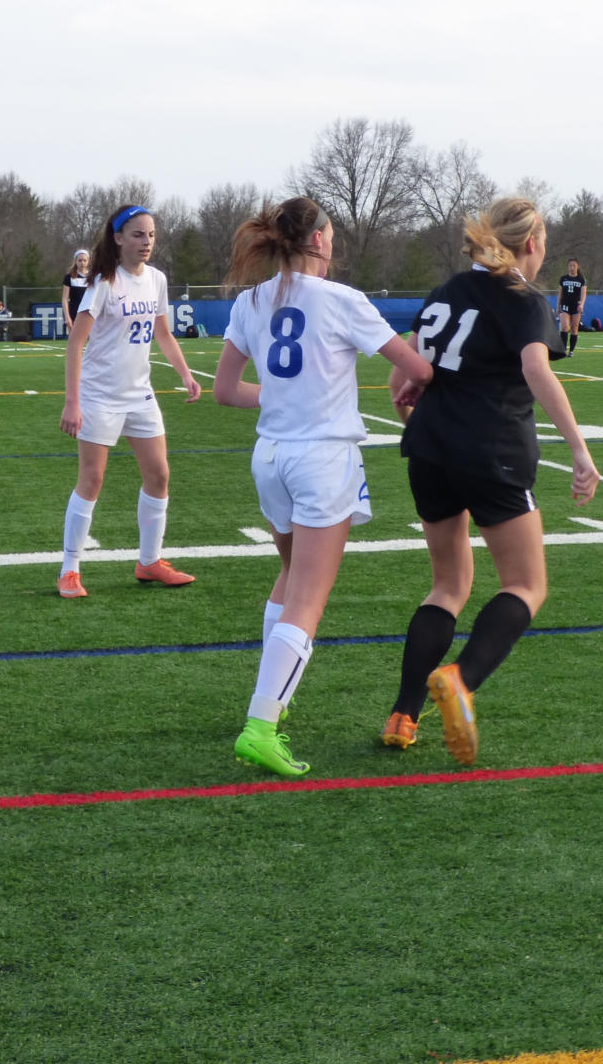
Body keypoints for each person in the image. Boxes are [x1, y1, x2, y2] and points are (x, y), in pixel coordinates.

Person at [213, 197, 433, 776]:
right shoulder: (342, 300)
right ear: (315, 240)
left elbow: (226, 391)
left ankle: (269, 702)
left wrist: (284, 396)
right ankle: (261, 724)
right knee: (308, 598)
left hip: (270, 457)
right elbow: (419, 370)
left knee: (288, 577)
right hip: (322, 459)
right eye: (330, 233)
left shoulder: (250, 300)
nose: (334, 242)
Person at [382, 197, 601, 765]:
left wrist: (424, 429)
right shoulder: (523, 298)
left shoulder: (446, 292)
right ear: (532, 243)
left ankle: (403, 715)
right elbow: (535, 367)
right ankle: (462, 679)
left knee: (447, 585)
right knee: (526, 585)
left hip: (429, 450)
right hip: (493, 450)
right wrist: (579, 450)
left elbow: (397, 378)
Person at [57, 205, 201, 597]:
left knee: (159, 476)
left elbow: (164, 334)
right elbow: (76, 343)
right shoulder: (103, 282)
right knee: (92, 480)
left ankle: (150, 562)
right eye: (138, 235)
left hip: (140, 395)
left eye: (151, 235)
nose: (147, 242)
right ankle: (69, 569)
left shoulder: (156, 279)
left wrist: (186, 375)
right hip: (100, 397)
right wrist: (73, 402)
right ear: (118, 238)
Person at [556, 258, 587, 357]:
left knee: (574, 328)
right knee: (565, 326)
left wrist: (581, 304)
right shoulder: (563, 278)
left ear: (578, 267)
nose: (572, 267)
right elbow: (560, 293)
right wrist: (558, 305)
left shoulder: (581, 279)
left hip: (576, 306)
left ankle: (571, 350)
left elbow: (583, 293)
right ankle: (563, 349)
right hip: (565, 304)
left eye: (574, 265)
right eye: (570, 265)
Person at [61, 249, 91, 339]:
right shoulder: (69, 277)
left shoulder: (93, 276)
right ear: (75, 261)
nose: (82, 263)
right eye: (80, 260)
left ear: (88, 261)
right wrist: (67, 317)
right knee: (74, 341)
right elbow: (65, 299)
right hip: (74, 312)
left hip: (89, 312)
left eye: (85, 260)